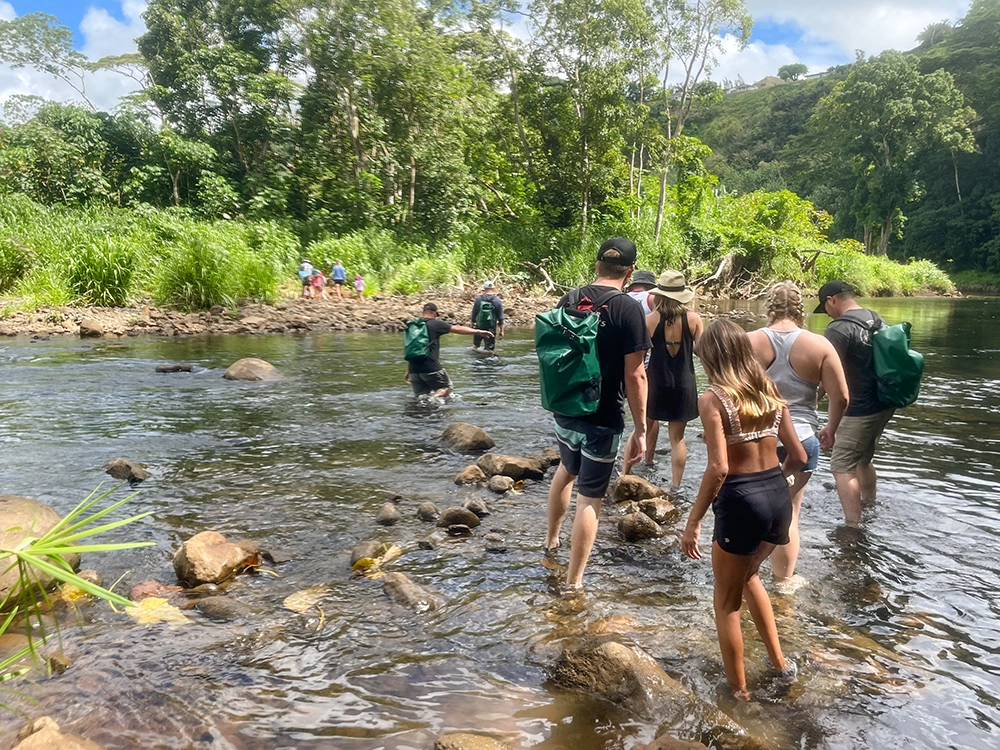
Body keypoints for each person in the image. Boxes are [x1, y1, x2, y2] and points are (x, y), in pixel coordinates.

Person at [681, 319, 806, 701]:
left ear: (712, 358)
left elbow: (719, 468)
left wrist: (693, 522)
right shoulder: (770, 390)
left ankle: (739, 694)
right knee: (750, 577)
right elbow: (799, 456)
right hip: (777, 498)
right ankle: (780, 665)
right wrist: (771, 485)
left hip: (742, 501)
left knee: (725, 602)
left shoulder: (712, 399)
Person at [543, 237, 651, 592]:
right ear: (630, 272)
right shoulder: (628, 309)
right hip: (602, 416)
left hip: (565, 408)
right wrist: (642, 428)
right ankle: (574, 582)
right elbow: (635, 375)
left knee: (567, 469)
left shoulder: (569, 299)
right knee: (590, 498)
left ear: (596, 267)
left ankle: (551, 540)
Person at [747, 282, 849, 581]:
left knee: (751, 507)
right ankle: (783, 582)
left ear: (769, 305)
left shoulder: (749, 341)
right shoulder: (819, 345)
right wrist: (830, 427)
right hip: (802, 437)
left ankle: (744, 574)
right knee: (789, 511)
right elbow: (841, 396)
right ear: (800, 307)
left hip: (757, 437)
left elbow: (732, 391)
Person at [814, 280, 895, 528]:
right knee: (862, 458)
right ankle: (870, 504)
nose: (827, 312)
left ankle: (853, 526)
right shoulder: (875, 319)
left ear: (832, 300)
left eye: (825, 307)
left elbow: (829, 378)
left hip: (858, 409)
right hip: (883, 405)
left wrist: (817, 406)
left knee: (841, 466)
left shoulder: (838, 330)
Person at [636, 270, 703, 490]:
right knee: (677, 439)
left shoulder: (650, 320)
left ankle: (627, 472)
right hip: (684, 382)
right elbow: (701, 351)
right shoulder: (693, 319)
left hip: (656, 381)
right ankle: (675, 485)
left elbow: (640, 357)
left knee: (643, 428)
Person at [405, 302, 494, 398]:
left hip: (413, 369)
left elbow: (413, 348)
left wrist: (409, 371)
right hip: (430, 367)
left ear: (423, 312)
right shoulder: (435, 324)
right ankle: (434, 399)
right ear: (434, 313)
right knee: (446, 387)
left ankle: (423, 410)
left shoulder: (414, 326)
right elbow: (457, 328)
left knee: (421, 397)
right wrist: (478, 331)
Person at [471, 281, 505, 351]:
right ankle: (488, 360)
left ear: (484, 288)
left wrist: (472, 325)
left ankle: (475, 358)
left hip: (479, 327)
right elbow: (501, 318)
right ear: (493, 288)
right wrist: (501, 331)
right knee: (489, 350)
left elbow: (474, 313)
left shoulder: (478, 299)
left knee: (475, 346)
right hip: (491, 329)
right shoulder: (497, 300)